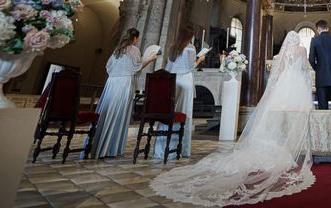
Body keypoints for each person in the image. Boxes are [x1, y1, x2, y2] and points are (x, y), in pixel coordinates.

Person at [150, 31, 314, 206]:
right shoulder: (302, 50)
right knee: (297, 114)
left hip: (283, 83)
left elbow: (278, 70)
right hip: (296, 83)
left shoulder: (281, 53)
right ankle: (296, 143)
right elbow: (305, 67)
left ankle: (162, 148)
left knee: (277, 115)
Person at [86, 28, 157, 158]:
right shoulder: (134, 50)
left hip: (112, 83)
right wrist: (150, 59)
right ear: (135, 38)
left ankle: (95, 145)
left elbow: (108, 66)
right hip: (124, 83)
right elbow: (137, 67)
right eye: (138, 38)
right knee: (119, 113)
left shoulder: (117, 49)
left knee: (106, 112)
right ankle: (111, 148)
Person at [153, 27, 205, 160]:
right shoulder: (190, 47)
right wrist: (200, 59)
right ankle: (181, 148)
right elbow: (191, 66)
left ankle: (161, 147)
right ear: (189, 37)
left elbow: (168, 68)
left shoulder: (173, 47)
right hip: (185, 80)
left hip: (173, 80)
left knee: (170, 110)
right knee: (184, 111)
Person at [308, 19, 331, 110]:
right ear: (327, 28)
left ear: (318, 29)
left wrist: (318, 68)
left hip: (321, 79)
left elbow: (311, 59)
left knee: (323, 108)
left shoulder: (315, 40)